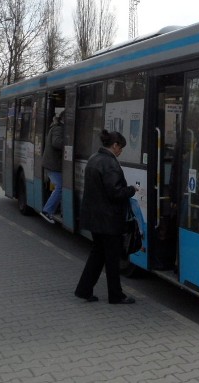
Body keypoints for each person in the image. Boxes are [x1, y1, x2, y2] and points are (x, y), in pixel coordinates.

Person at [74, 130, 139, 304]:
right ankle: (116, 295)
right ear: (115, 145)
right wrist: (131, 190)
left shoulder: (94, 158)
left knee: (97, 255)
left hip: (95, 218)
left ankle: (84, 290)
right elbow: (115, 192)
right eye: (121, 148)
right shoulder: (109, 163)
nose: (121, 151)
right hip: (109, 219)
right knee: (111, 259)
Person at [40, 112, 64, 223]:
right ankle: (47, 210)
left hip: (53, 164)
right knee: (60, 187)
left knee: (60, 187)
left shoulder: (56, 127)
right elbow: (57, 143)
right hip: (52, 165)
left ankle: (58, 209)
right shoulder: (58, 129)